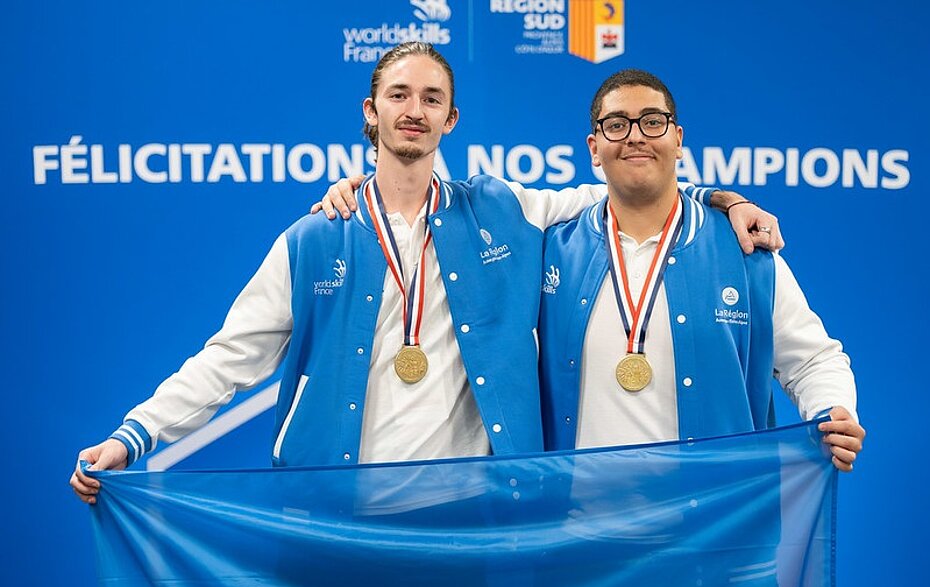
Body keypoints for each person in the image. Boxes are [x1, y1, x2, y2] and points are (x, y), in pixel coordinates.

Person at [70, 43, 780, 504]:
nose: (415, 110)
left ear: (452, 119)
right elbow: (228, 359)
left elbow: (631, 185)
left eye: (431, 98)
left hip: (461, 527)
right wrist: (135, 435)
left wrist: (723, 199)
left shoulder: (505, 211)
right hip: (334, 516)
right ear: (371, 112)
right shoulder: (318, 236)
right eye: (400, 95)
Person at [537, 69, 865, 470]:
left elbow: (813, 360)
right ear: (594, 148)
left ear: (677, 140)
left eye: (653, 122)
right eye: (617, 125)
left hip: (711, 523)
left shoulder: (745, 249)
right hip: (577, 524)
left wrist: (833, 410)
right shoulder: (551, 252)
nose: (636, 136)